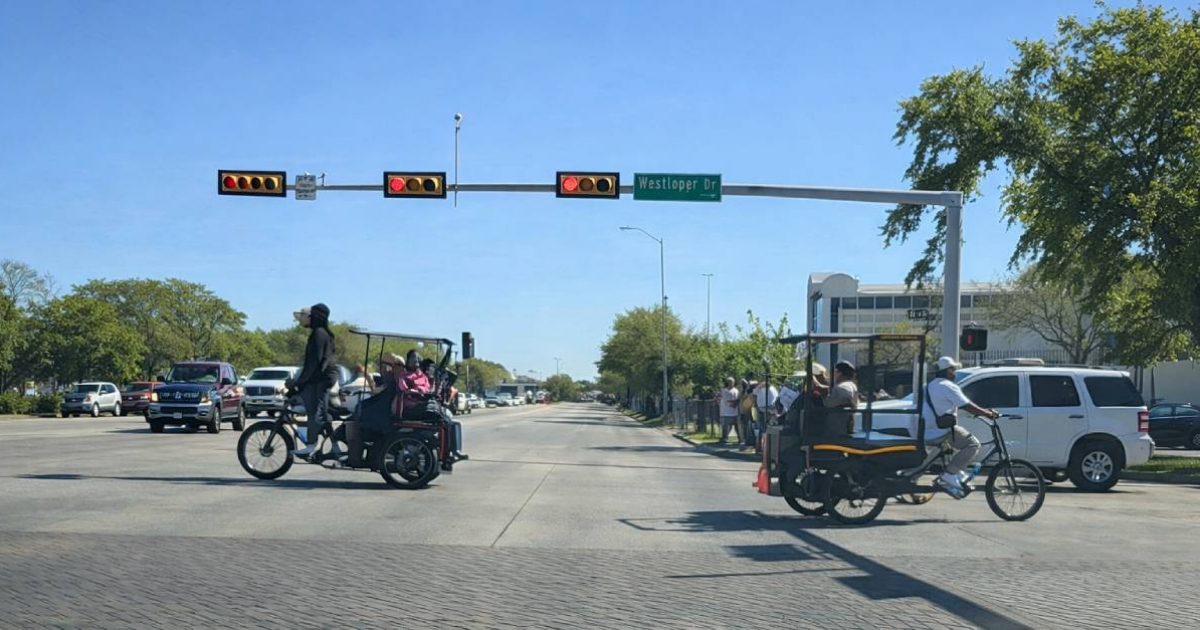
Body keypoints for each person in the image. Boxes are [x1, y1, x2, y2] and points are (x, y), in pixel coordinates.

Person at [923, 356, 999, 496]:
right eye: (953, 369)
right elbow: (967, 405)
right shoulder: (947, 386)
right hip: (941, 431)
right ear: (947, 371)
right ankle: (949, 474)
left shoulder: (930, 385)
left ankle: (955, 473)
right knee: (972, 444)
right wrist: (987, 413)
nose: (955, 373)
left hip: (928, 429)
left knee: (952, 448)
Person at [290, 304, 339, 458]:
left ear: (313, 316)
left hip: (324, 379)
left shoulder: (319, 334)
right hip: (320, 378)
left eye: (304, 315)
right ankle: (335, 447)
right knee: (317, 413)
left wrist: (299, 382)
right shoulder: (321, 333)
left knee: (317, 414)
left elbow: (314, 363)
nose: (301, 318)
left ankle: (311, 444)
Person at [716, 377, 740, 446]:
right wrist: (735, 403)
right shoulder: (724, 391)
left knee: (737, 427)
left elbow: (737, 400)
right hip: (725, 412)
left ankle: (740, 439)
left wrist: (736, 403)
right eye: (729, 382)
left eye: (732, 382)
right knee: (725, 427)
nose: (731, 383)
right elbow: (728, 402)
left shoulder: (736, 391)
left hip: (735, 412)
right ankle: (724, 439)